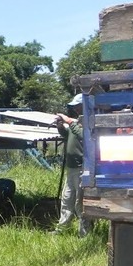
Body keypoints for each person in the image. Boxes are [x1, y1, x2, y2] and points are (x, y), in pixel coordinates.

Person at [52, 93, 93, 237]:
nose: (75, 109)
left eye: (78, 106)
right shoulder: (75, 123)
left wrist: (69, 121)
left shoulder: (89, 123)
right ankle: (62, 229)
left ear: (85, 106)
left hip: (82, 169)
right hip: (71, 169)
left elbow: (83, 136)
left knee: (79, 203)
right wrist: (59, 126)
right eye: (74, 107)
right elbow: (67, 134)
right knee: (67, 199)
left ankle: (84, 234)